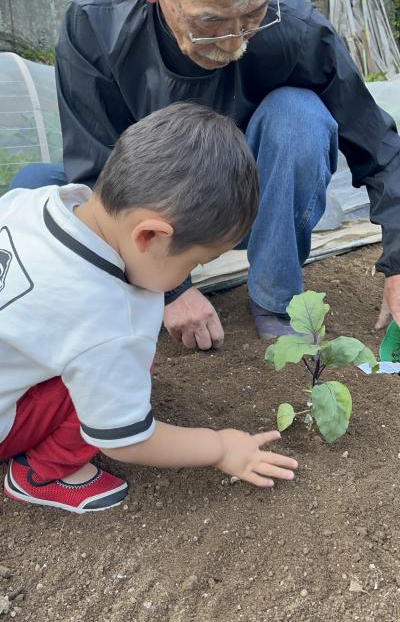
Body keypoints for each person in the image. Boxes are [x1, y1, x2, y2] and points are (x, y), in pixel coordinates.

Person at [11, 0, 400, 346]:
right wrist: (171, 290)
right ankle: (100, 307)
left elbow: (379, 147)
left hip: (242, 209)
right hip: (144, 218)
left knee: (299, 116)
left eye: (252, 15)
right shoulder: (97, 24)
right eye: (210, 22)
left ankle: (274, 300)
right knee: (34, 188)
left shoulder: (293, 27)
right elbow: (93, 164)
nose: (234, 44)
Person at [0, 103, 298, 513]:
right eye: (192, 264)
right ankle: (40, 474)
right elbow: (126, 440)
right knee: (126, 367)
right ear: (150, 236)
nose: (185, 278)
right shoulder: (110, 320)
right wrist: (221, 447)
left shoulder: (31, 202)